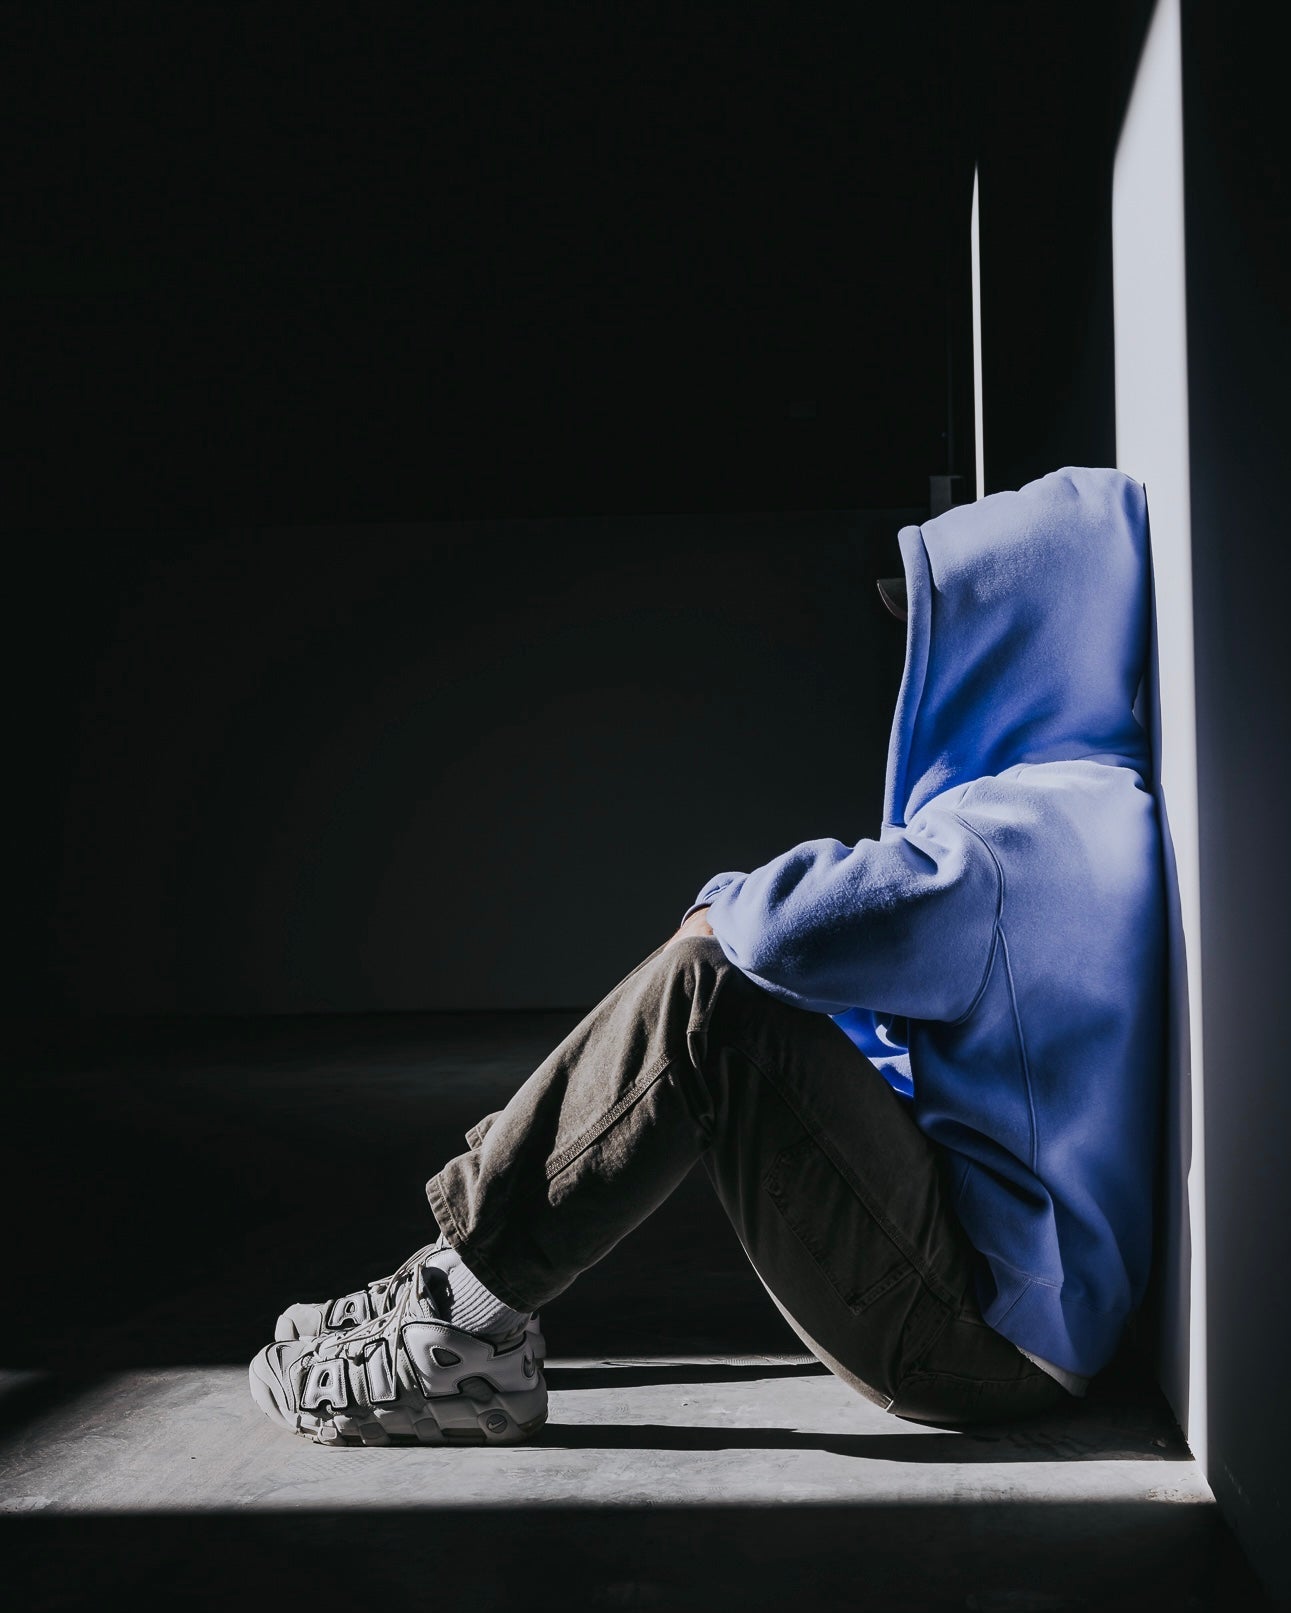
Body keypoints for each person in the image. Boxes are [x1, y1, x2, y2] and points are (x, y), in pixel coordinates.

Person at [248, 465, 1166, 1446]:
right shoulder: (1104, 806)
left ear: (1008, 637)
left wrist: (713, 907)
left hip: (974, 1337)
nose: (909, 653)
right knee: (733, 988)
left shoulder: (1007, 833)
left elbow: (776, 934)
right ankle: (455, 1291)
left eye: (936, 626)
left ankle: (456, 1313)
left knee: (708, 990)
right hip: (1035, 1309)